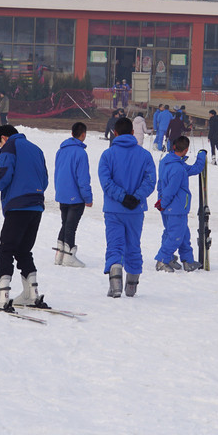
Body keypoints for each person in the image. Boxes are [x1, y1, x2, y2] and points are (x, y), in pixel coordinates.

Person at [0, 125, 49, 310]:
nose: (0, 147)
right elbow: (45, 179)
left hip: (18, 206)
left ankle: (2, 296)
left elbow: (3, 175)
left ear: (3, 137)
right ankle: (31, 294)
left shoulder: (10, 147)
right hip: (36, 205)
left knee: (6, 249)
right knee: (24, 250)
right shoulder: (36, 149)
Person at [98, 116, 156, 298]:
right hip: (135, 211)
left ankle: (115, 287)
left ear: (115, 133)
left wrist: (121, 197)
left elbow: (106, 182)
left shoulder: (107, 155)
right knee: (133, 246)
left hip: (114, 209)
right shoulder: (145, 155)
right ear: (132, 132)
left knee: (115, 246)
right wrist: (136, 197)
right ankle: (132, 287)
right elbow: (150, 180)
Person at [154, 136, 207, 273]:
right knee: (175, 235)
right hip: (175, 206)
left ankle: (187, 260)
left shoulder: (167, 162)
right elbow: (172, 189)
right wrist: (164, 203)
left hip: (168, 205)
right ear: (186, 149)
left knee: (183, 234)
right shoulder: (178, 168)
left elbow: (193, 169)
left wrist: (161, 201)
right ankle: (163, 259)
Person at [54, 122, 93, 268]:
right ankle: (69, 256)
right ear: (83, 134)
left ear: (72, 134)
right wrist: (88, 198)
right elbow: (83, 179)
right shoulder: (81, 153)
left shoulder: (61, 151)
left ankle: (60, 254)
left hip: (62, 193)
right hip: (75, 196)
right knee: (71, 226)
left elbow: (57, 172)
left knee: (65, 224)